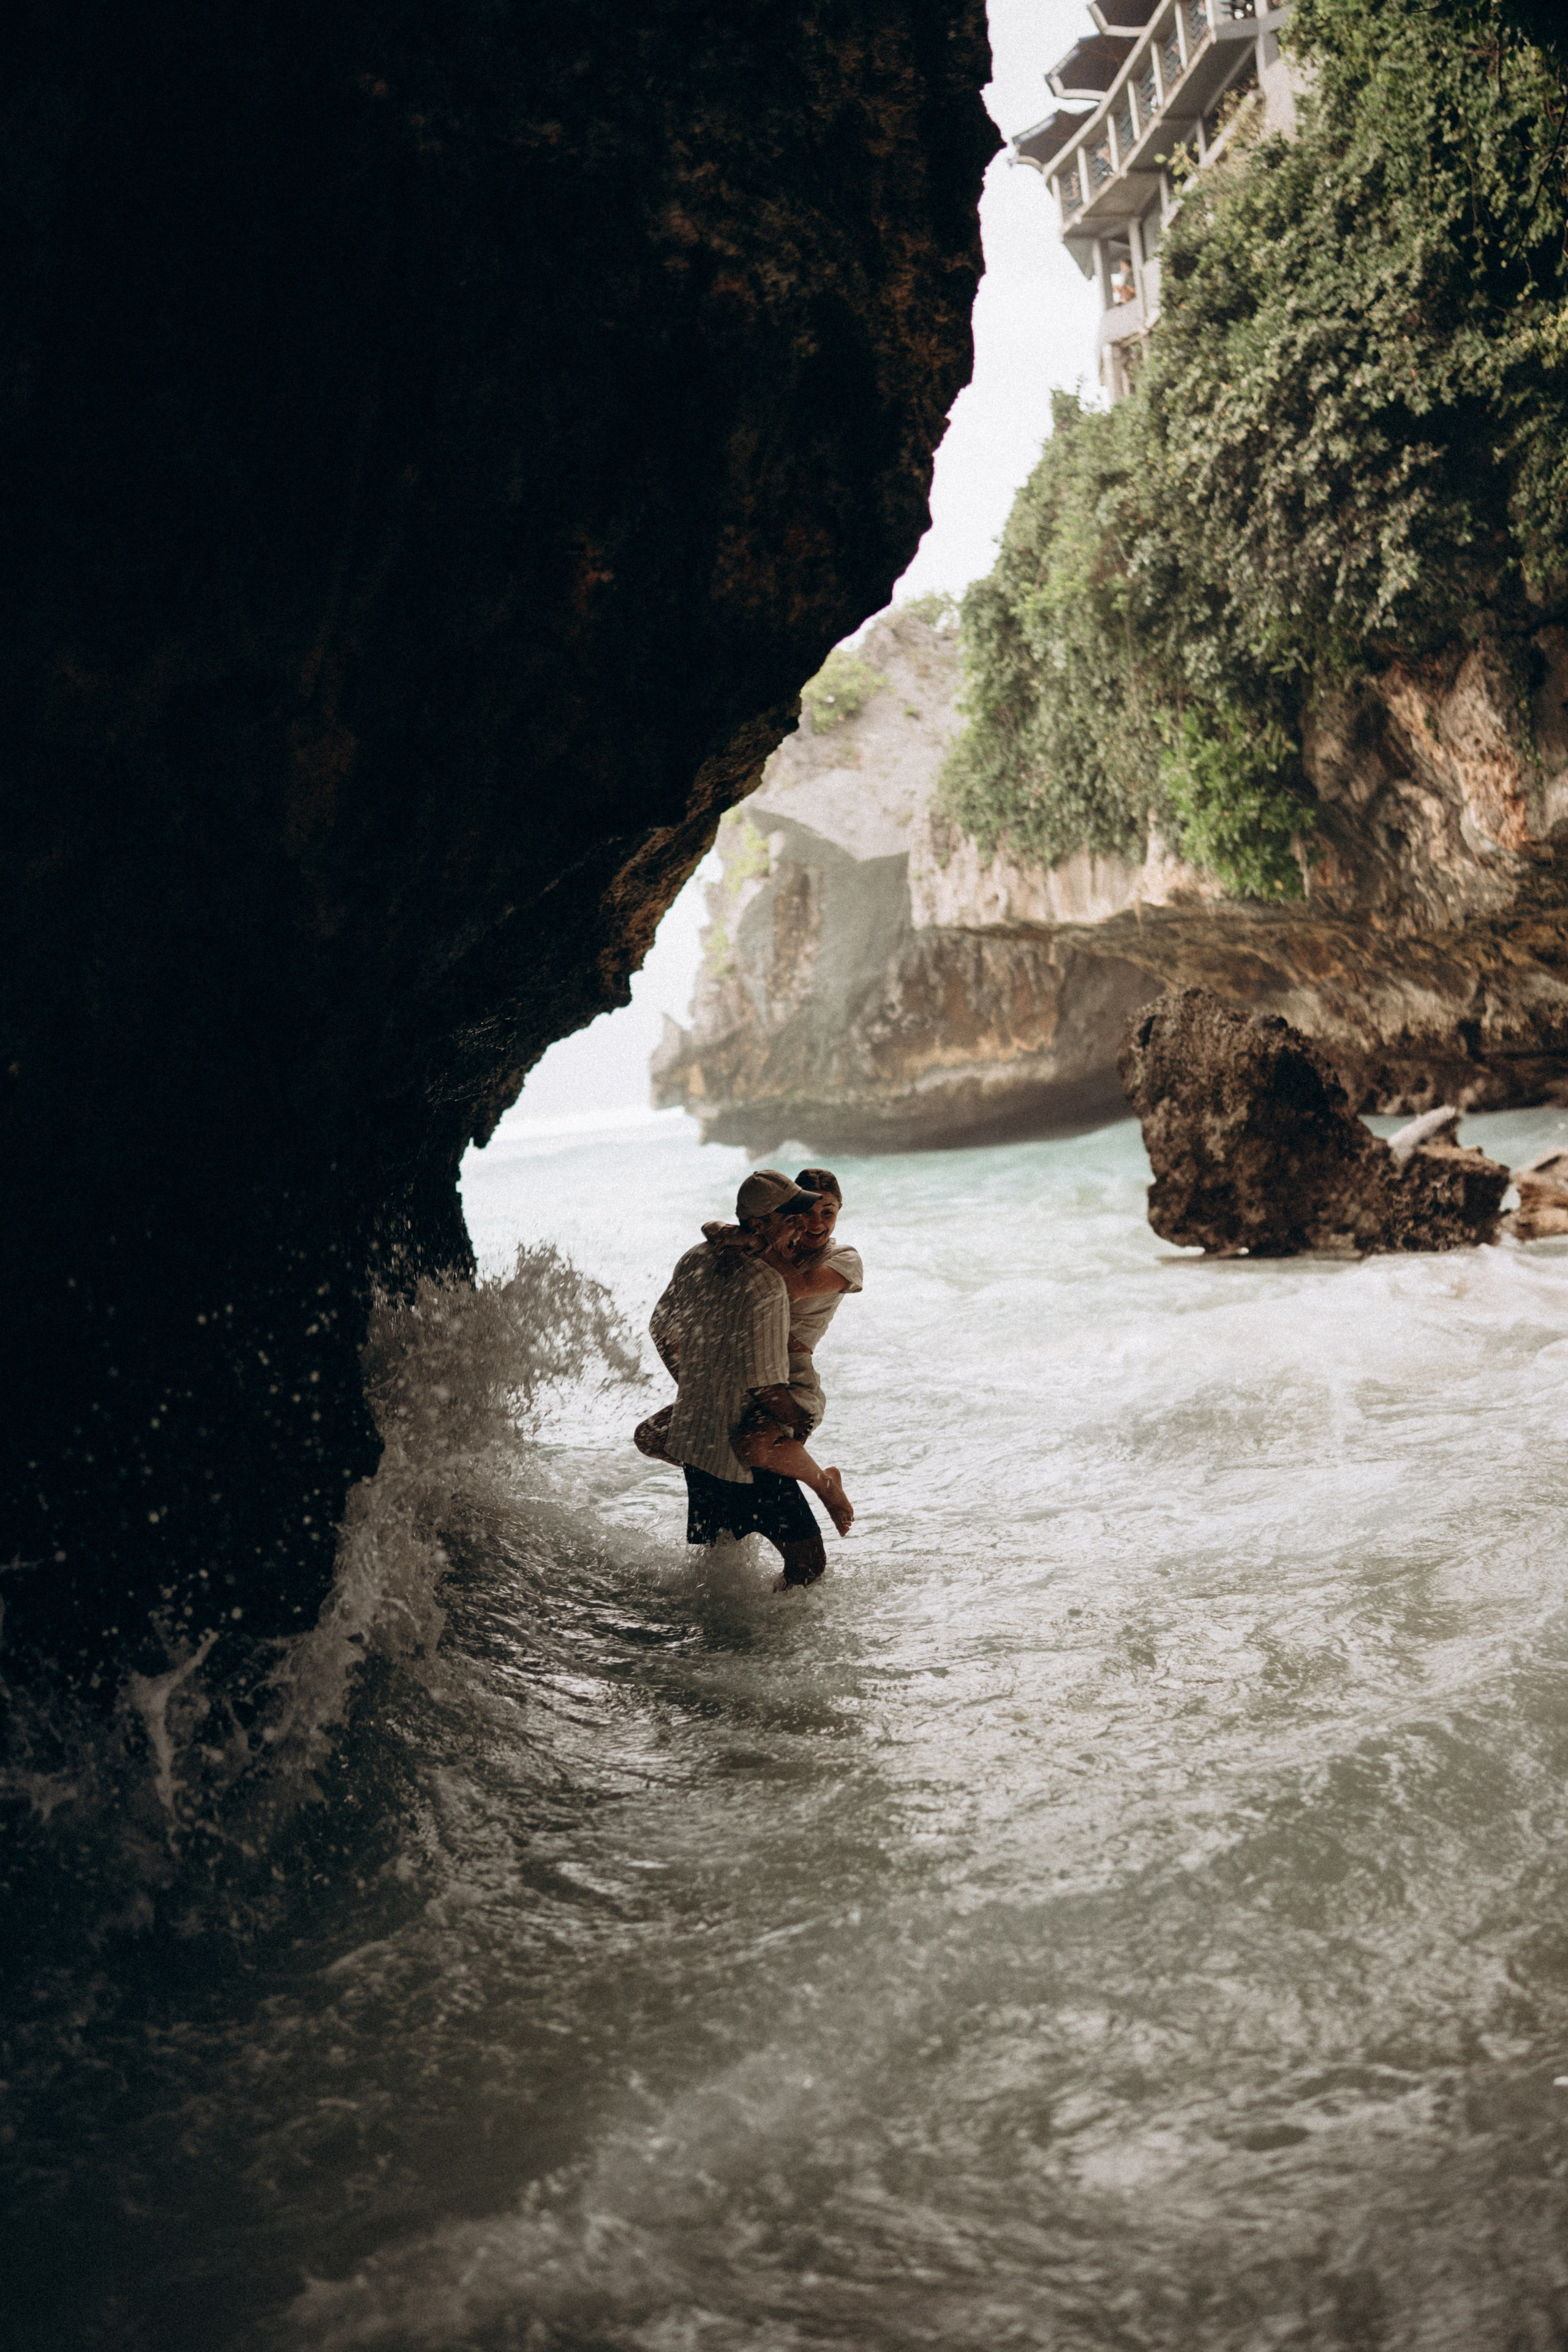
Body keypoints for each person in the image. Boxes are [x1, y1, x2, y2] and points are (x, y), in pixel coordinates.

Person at [641, 1169, 829, 1591]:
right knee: (808, 1565)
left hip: (697, 1440)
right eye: (791, 1215)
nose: (802, 1221)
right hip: (740, 1450)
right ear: (759, 1225)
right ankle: (777, 1650)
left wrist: (690, 1383)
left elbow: (660, 1326)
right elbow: (764, 1386)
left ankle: (720, 1642)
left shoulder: (695, 1257)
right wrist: (800, 1421)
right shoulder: (765, 1285)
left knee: (721, 1564)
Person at [715, 1167, 861, 1534]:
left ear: (840, 1209)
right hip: (744, 1370)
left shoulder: (844, 1258)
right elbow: (713, 1228)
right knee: (662, 1436)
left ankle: (826, 1486)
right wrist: (738, 1234)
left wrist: (757, 1244)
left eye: (827, 1212)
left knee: (753, 1446)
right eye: (805, 1213)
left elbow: (794, 1288)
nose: (816, 1223)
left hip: (791, 1376)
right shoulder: (777, 1244)